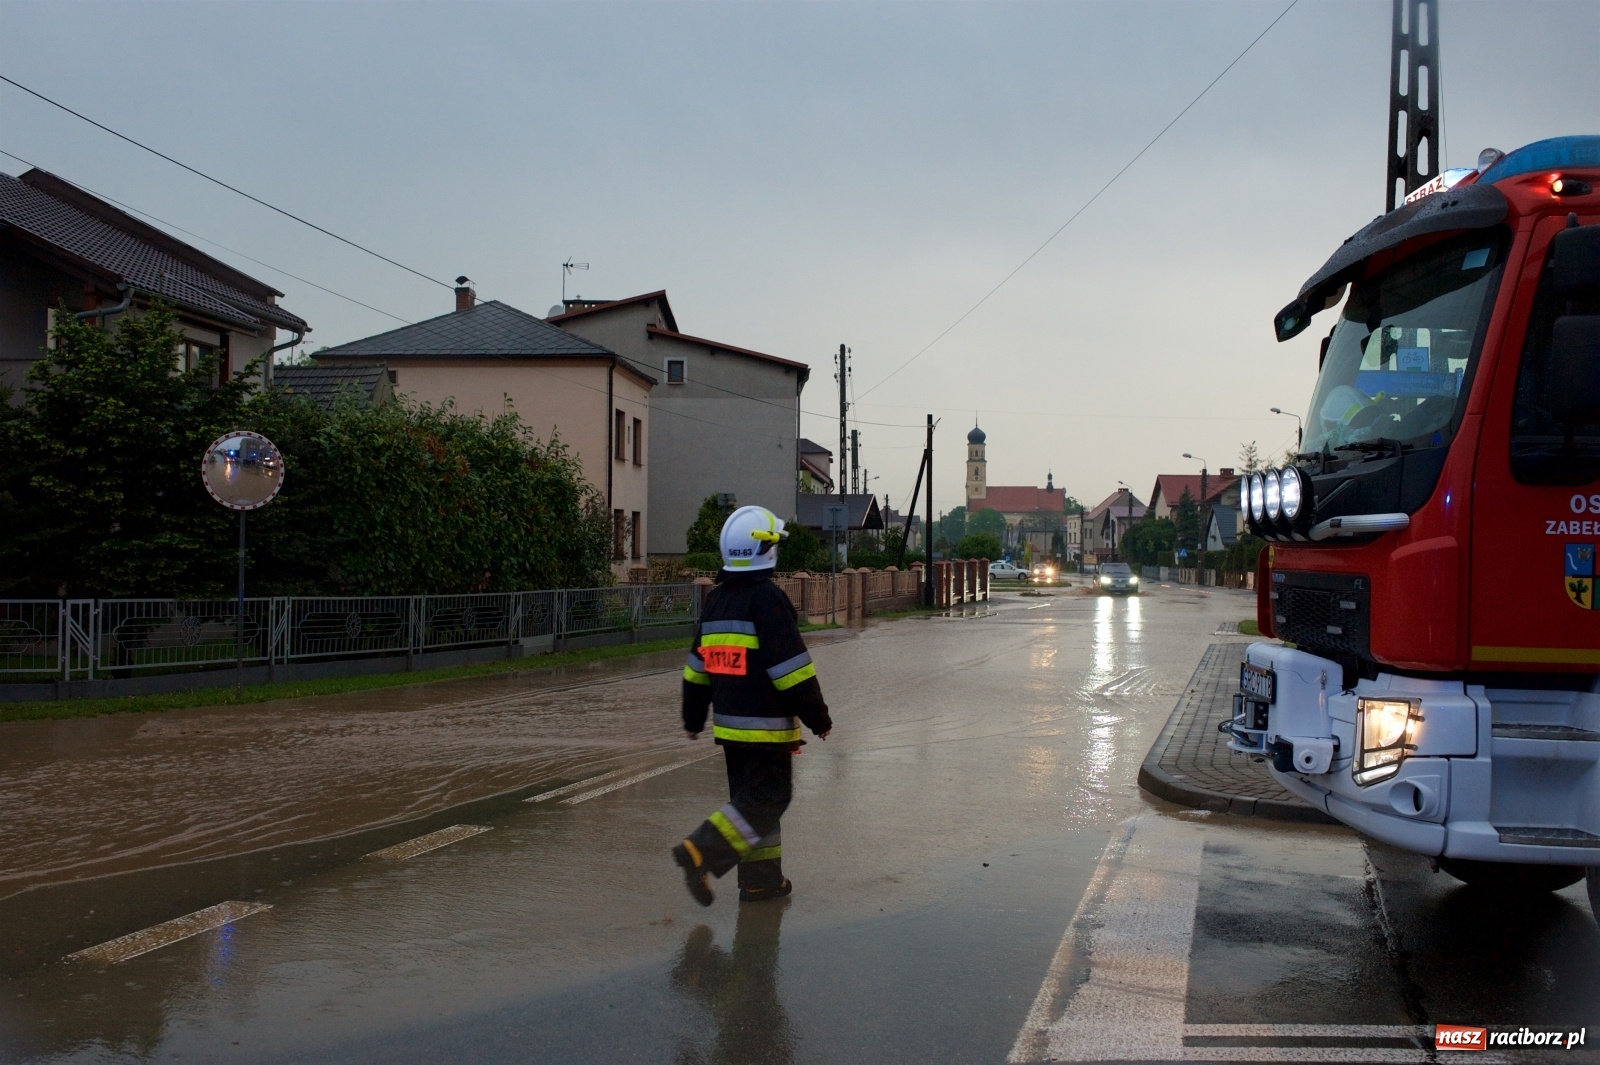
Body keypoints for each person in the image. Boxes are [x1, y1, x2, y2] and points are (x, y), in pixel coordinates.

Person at [672, 505, 832, 905]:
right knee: (769, 798)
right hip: (766, 728)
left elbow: (696, 671)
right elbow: (791, 671)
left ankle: (761, 882)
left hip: (730, 730)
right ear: (765, 551)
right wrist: (818, 718)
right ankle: (700, 850)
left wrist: (693, 718)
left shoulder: (715, 603)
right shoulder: (769, 600)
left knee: (753, 807)